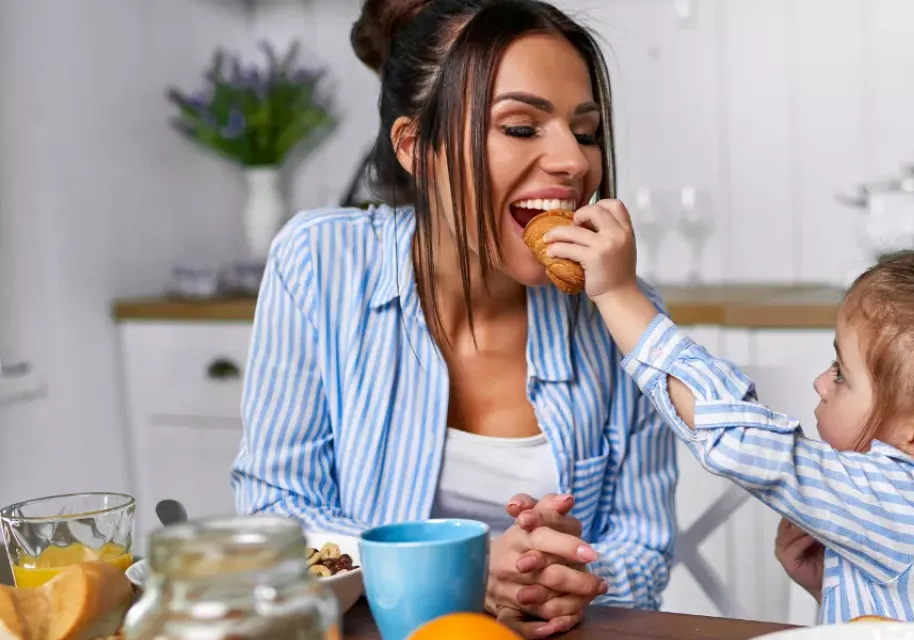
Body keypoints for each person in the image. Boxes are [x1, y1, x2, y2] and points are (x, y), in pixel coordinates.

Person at [230, 1, 677, 637]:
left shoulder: (622, 311)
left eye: (584, 132)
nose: (575, 164)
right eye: (521, 128)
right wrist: (460, 570)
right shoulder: (320, 262)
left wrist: (565, 578)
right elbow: (276, 515)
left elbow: (643, 550)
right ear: (417, 148)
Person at [543, 201, 914, 638]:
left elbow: (735, 435)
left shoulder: (904, 497)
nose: (821, 383)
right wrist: (833, 587)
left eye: (841, 374)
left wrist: (617, 296)